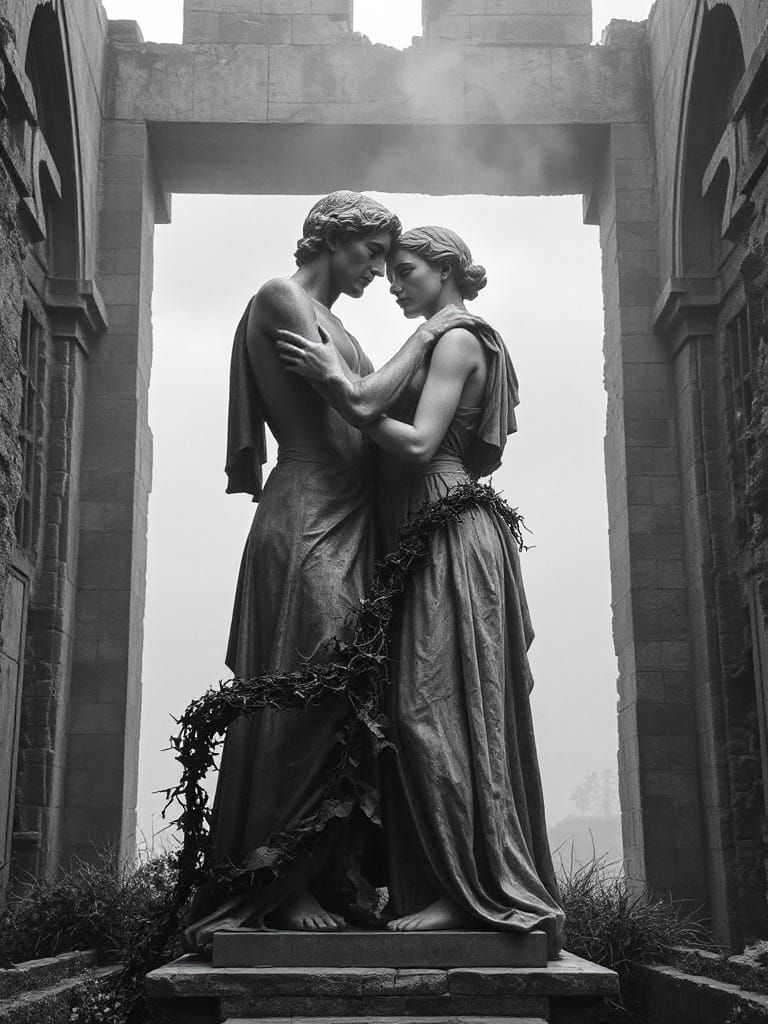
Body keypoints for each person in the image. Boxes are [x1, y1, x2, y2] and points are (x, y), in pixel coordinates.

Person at [184, 194, 463, 953]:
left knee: (351, 693)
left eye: (386, 257)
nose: (378, 269)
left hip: (355, 516)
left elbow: (374, 405)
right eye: (369, 252)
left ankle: (338, 871)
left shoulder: (341, 328)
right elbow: (363, 398)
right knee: (306, 682)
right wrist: (441, 324)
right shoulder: (282, 298)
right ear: (330, 240)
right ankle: (282, 880)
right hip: (308, 514)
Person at [276, 226, 566, 956]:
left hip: (447, 533)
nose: (393, 282)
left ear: (445, 271)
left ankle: (467, 892)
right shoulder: (435, 337)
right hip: (418, 538)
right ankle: (435, 884)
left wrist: (334, 386)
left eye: (405, 270)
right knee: (419, 710)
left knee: (432, 709)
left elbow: (414, 443)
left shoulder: (459, 340)